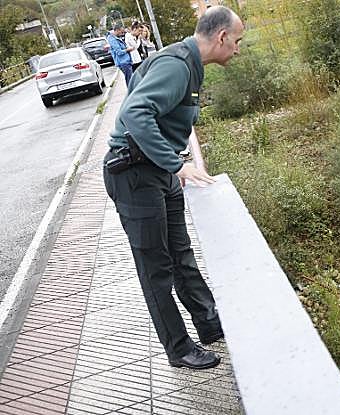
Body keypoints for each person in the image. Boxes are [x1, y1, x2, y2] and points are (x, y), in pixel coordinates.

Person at [102, 6, 244, 369]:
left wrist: (170, 164)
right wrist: (176, 164)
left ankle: (209, 324)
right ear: (222, 37)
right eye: (238, 42)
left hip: (157, 170)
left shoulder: (186, 63)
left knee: (182, 255)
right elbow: (135, 113)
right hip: (134, 174)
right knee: (156, 269)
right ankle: (179, 348)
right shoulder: (178, 65)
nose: (238, 50)